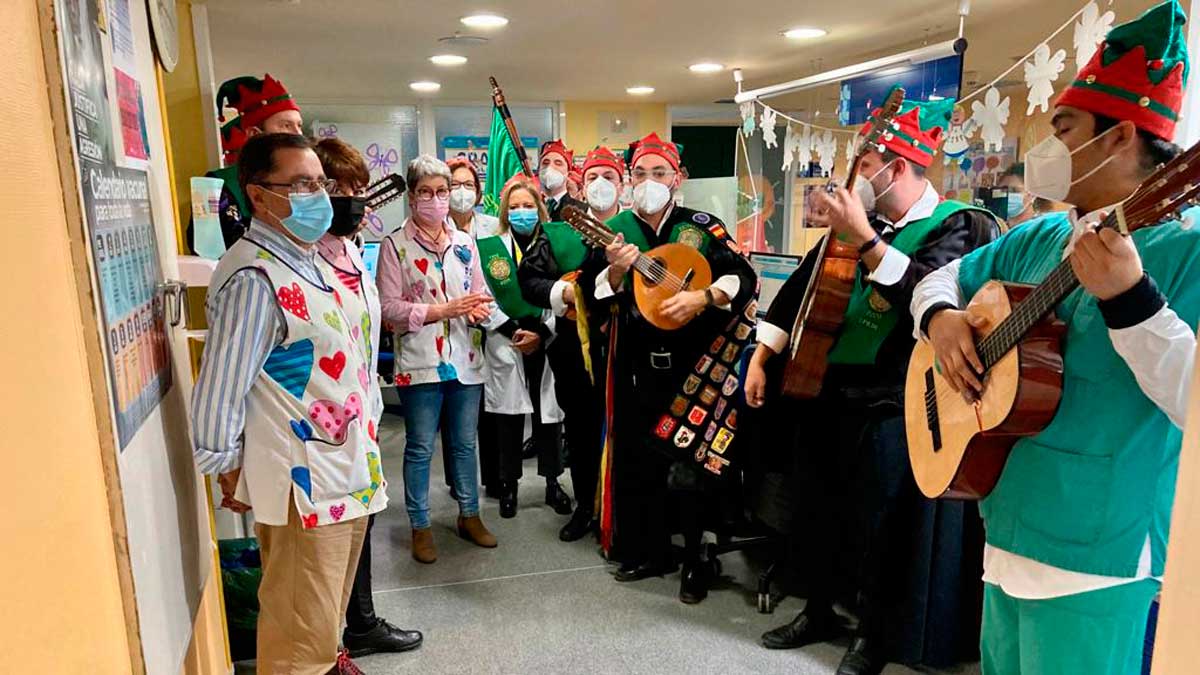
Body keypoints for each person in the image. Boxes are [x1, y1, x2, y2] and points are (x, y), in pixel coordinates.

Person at [912, 4, 1194, 673]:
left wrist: (1132, 298)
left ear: (1121, 136)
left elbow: (1193, 396)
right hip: (1006, 524)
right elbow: (937, 280)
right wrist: (941, 319)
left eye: (1063, 127)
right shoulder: (1041, 235)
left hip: (1099, 550)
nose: (1048, 146)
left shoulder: (1187, 253)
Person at [746, 93, 1000, 675]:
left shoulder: (956, 225)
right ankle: (818, 608)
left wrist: (866, 240)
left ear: (897, 167)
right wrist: (763, 355)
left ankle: (874, 634)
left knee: (881, 522)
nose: (853, 178)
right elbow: (797, 293)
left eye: (863, 167)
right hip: (830, 390)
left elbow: (930, 297)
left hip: (898, 400)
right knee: (819, 507)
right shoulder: (858, 226)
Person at [191, 133, 382, 675]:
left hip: (346, 471)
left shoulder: (308, 261)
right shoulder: (255, 275)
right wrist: (226, 465)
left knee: (322, 630)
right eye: (300, 184)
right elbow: (221, 386)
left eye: (318, 182)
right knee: (300, 644)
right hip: (306, 487)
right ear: (258, 194)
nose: (317, 195)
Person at [593, 132, 757, 604]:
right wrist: (617, 272)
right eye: (640, 173)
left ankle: (694, 558)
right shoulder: (616, 230)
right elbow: (591, 291)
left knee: (690, 466)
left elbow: (742, 277)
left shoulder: (701, 226)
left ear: (677, 178)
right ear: (628, 181)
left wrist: (703, 296)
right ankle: (651, 550)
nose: (649, 182)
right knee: (639, 460)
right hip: (635, 367)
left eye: (658, 173)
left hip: (695, 369)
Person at [312, 138, 423, 658]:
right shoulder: (302, 259)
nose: (353, 200)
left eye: (358, 189)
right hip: (321, 423)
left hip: (361, 413)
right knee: (329, 539)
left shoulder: (352, 252)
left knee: (364, 520)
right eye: (338, 189)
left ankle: (360, 623)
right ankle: (328, 642)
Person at [377, 155, 497, 564]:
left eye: (441, 192)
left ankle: (469, 514)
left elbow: (481, 291)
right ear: (412, 197)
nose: (435, 199)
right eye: (426, 192)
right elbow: (387, 307)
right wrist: (439, 311)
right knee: (420, 447)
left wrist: (480, 308)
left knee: (465, 445)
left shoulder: (465, 243)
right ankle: (421, 524)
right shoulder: (395, 245)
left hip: (465, 359)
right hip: (420, 362)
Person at [519, 146, 625, 541]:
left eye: (609, 177)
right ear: (581, 181)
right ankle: (586, 507)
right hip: (573, 354)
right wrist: (562, 293)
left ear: (622, 183)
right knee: (580, 434)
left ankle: (622, 511)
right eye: (593, 176)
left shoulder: (634, 230)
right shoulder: (556, 231)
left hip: (627, 352)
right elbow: (528, 281)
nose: (601, 185)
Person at [476, 178, 571, 518]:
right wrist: (515, 330)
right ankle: (508, 486)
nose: (521, 212)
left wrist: (542, 333)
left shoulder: (555, 243)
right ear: (504, 212)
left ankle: (552, 484)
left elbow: (563, 292)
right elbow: (482, 296)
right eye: (514, 207)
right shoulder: (488, 247)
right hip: (506, 339)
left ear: (540, 209)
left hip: (546, 338)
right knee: (508, 417)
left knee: (549, 416)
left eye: (528, 206)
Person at [186, 74, 304, 254]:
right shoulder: (213, 187)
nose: (297, 135)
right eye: (286, 126)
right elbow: (205, 255)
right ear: (255, 134)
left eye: (299, 125)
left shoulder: (309, 183)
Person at [441, 157, 501, 500]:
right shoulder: (434, 229)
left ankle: (494, 478)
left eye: (468, 185)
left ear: (478, 192)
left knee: (490, 411)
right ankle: (458, 483)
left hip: (493, 327)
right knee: (456, 418)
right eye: (453, 186)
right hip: (453, 332)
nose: (461, 192)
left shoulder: (493, 227)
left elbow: (503, 276)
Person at [538, 139, 586, 221]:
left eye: (558, 163)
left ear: (568, 173)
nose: (550, 167)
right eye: (545, 163)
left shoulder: (580, 210)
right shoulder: (532, 208)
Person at [997, 163, 1053, 228]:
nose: (1008, 195)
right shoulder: (996, 226)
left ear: (1033, 195)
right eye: (1004, 190)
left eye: (1014, 190)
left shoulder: (1042, 226)